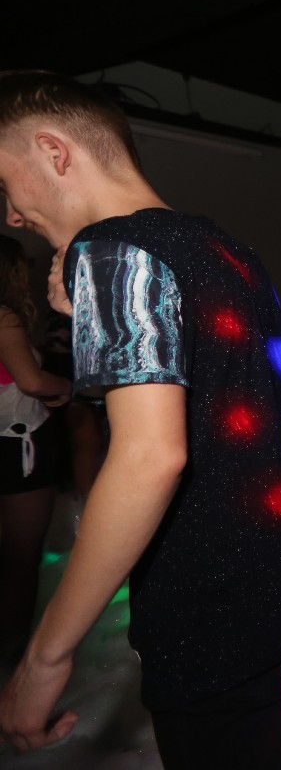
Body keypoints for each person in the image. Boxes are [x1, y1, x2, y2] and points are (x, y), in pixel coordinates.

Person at [0, 70, 281, 766]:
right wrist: (85, 318)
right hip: (265, 592)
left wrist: (45, 656)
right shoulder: (224, 247)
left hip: (204, 609)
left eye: (4, 185)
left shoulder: (112, 249)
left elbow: (152, 456)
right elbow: (211, 403)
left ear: (54, 152)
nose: (13, 216)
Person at [0, 235, 72, 663]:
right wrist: (67, 387)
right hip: (17, 446)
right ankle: (13, 662)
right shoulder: (4, 317)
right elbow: (31, 381)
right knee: (21, 563)